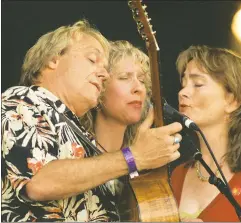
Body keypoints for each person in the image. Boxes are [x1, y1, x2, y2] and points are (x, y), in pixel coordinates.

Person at [1, 20, 183, 222]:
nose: (103, 74)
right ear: (53, 59)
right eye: (92, 60)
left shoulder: (82, 137)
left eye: (105, 68)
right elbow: (39, 182)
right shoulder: (23, 99)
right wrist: (134, 157)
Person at [170, 45, 241, 222]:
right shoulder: (177, 175)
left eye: (197, 84)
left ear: (233, 100)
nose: (182, 92)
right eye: (183, 84)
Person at [80, 39, 154, 216]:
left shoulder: (148, 166)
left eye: (142, 80)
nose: (139, 88)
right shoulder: (74, 152)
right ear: (99, 86)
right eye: (124, 78)